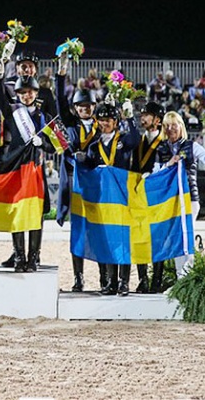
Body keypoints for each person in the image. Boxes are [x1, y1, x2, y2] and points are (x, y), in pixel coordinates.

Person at [0, 64, 54, 273]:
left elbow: (54, 147)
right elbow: (1, 101)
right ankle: (19, 256)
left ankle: (34, 256)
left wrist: (43, 144)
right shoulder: (13, 114)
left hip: (36, 171)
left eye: (29, 92)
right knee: (17, 212)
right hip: (18, 170)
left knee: (36, 214)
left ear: (36, 94)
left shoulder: (44, 118)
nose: (26, 95)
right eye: (21, 92)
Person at [82, 101, 140, 295]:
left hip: (122, 198)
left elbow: (136, 140)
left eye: (109, 120)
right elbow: (89, 171)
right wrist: (79, 160)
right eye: (102, 120)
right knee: (106, 240)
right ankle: (111, 282)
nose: (105, 123)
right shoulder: (93, 147)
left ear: (115, 122)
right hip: (103, 201)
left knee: (122, 240)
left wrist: (130, 118)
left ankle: (124, 282)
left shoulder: (123, 141)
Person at [55, 54, 102, 292]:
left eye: (89, 106)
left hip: (95, 183)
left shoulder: (101, 126)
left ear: (94, 107)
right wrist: (61, 74)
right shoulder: (70, 123)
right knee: (78, 231)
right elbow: (59, 100)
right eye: (81, 106)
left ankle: (105, 277)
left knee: (100, 229)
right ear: (75, 108)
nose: (85, 109)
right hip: (74, 182)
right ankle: (79, 277)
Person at [154, 111, 205, 283]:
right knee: (176, 238)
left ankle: (188, 278)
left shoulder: (192, 146)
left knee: (186, 234)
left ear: (181, 126)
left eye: (174, 125)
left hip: (190, 198)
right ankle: (180, 280)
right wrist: (168, 164)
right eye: (167, 126)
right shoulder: (161, 149)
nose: (171, 129)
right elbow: (153, 173)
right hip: (170, 201)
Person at [130, 101, 165, 293]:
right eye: (142, 115)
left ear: (157, 120)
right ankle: (143, 278)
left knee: (157, 238)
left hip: (158, 197)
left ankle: (157, 280)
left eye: (147, 115)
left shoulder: (165, 142)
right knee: (139, 237)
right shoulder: (139, 141)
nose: (142, 118)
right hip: (139, 195)